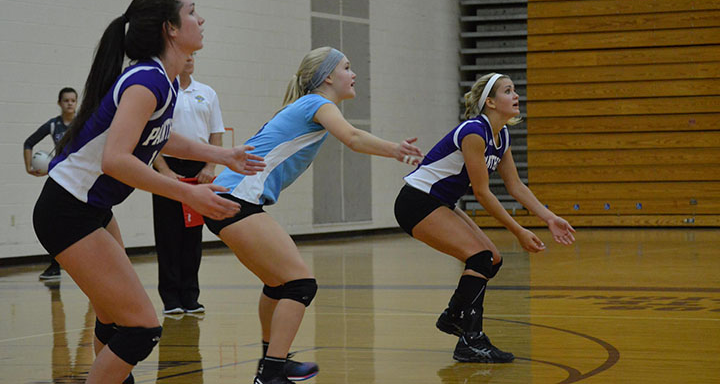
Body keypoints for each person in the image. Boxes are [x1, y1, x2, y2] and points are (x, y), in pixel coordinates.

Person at [32, 0, 265, 384]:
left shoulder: (165, 80)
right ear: (170, 28)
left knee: (113, 317)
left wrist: (222, 155)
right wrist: (188, 192)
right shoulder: (147, 81)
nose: (201, 19)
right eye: (193, 11)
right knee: (140, 328)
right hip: (67, 209)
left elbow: (159, 136)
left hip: (89, 209)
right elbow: (116, 159)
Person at [205, 47, 424, 384]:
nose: (353, 74)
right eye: (347, 68)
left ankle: (273, 360)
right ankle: (271, 372)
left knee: (279, 284)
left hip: (228, 198)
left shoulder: (307, 107)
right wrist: (394, 149)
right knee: (301, 284)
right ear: (327, 78)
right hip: (236, 198)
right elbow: (352, 137)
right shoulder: (316, 104)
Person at [393, 72, 576, 363]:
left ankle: (453, 317)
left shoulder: (501, 135)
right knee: (479, 257)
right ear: (490, 101)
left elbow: (515, 186)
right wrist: (518, 231)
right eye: (507, 90)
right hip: (417, 201)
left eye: (514, 90)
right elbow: (482, 193)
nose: (515, 95)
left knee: (491, 258)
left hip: (439, 202)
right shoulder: (474, 132)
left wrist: (549, 217)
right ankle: (471, 339)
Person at [151, 52, 225, 315]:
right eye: (185, 54)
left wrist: (210, 166)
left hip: (198, 170)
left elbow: (216, 132)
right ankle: (171, 298)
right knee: (168, 234)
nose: (190, 58)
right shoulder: (163, 92)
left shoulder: (207, 93)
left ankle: (191, 296)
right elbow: (150, 134)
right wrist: (164, 170)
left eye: (193, 55)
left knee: (192, 236)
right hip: (168, 168)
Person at [23, 87, 78, 279]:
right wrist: (29, 167)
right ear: (59, 103)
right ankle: (55, 266)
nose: (70, 103)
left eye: (73, 100)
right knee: (56, 221)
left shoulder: (82, 123)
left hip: (79, 179)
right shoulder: (54, 125)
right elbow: (28, 143)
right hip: (60, 179)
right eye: (66, 100)